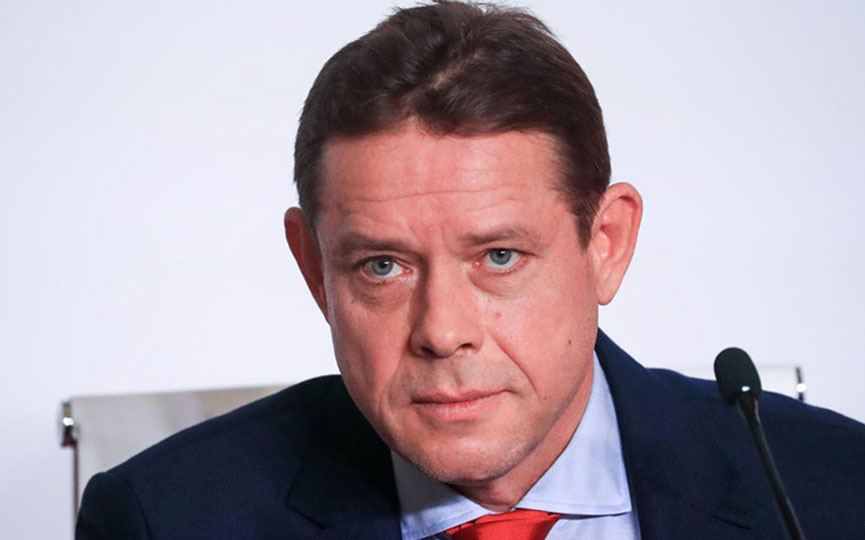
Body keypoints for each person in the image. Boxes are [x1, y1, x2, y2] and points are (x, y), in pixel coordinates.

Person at [76, 2, 865, 539]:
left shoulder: (836, 488)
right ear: (314, 269)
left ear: (605, 243)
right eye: (382, 265)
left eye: (498, 256)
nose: (442, 332)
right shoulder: (164, 519)